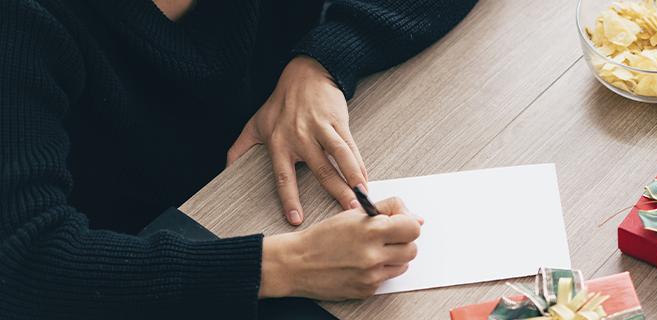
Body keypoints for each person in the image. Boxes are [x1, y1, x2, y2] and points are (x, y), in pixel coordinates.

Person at [0, 0, 476, 318]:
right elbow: (23, 265)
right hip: (141, 285)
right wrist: (287, 265)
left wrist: (321, 63)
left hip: (263, 215)